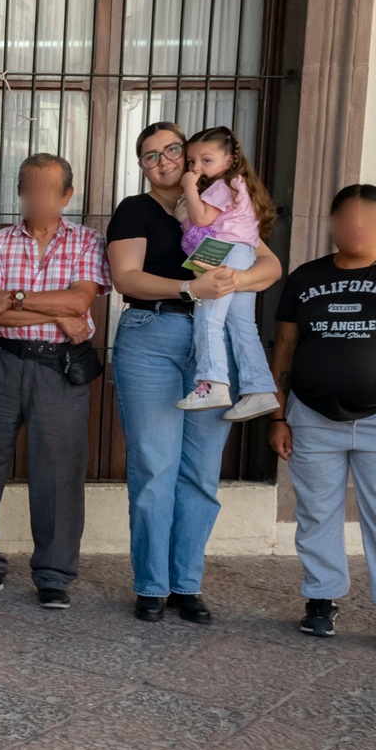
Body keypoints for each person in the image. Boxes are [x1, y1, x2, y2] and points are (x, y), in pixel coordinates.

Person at [107, 121, 283, 624]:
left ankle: (186, 583)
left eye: (172, 150)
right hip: (153, 336)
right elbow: (126, 277)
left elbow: (270, 267)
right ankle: (151, 584)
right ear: (142, 167)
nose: (163, 161)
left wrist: (232, 280)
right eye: (150, 155)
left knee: (202, 471)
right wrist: (191, 289)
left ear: (190, 154)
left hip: (215, 344)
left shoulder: (225, 199)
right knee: (154, 467)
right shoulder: (135, 209)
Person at [270, 185, 376, 656]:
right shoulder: (306, 278)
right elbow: (284, 348)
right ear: (331, 223)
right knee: (316, 512)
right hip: (312, 416)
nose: (356, 227)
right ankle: (321, 599)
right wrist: (278, 416)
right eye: (345, 218)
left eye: (367, 219)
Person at [0, 154, 110, 609]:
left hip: (59, 367)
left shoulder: (87, 241)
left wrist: (19, 299)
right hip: (1, 361)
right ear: (20, 192)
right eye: (31, 189)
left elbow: (79, 302)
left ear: (67, 195)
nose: (39, 198)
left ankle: (54, 574)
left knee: (59, 473)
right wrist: (57, 312)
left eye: (49, 190)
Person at [174, 126, 280, 420]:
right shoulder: (238, 184)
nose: (197, 168)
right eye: (191, 162)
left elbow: (200, 219)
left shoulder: (223, 185)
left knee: (209, 317)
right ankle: (259, 390)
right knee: (242, 325)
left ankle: (213, 383)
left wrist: (188, 187)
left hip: (225, 253)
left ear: (230, 159)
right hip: (242, 255)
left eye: (206, 160)